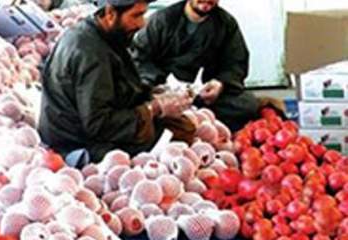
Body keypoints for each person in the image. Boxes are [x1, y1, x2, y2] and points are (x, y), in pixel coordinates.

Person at [38, 0, 195, 165]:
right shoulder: (91, 53)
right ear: (110, 13)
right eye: (136, 15)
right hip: (77, 141)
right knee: (179, 133)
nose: (142, 24)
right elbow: (98, 125)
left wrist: (153, 95)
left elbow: (114, 87)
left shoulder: (97, 33)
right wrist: (154, 108)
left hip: (83, 125)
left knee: (180, 124)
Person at [132, 0, 268, 131]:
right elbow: (139, 58)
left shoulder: (226, 23)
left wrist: (220, 84)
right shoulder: (162, 20)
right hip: (166, 92)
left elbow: (235, 63)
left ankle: (191, 117)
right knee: (138, 107)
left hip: (205, 96)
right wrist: (161, 85)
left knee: (248, 105)